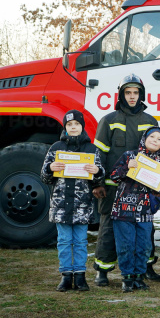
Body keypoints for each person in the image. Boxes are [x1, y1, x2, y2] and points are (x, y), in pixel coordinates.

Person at [92, 74, 160, 286]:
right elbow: (99, 155)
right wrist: (97, 183)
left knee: (145, 229)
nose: (132, 97)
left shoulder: (150, 121)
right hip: (114, 188)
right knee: (109, 229)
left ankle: (146, 267)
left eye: (136, 92)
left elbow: (156, 156)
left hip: (143, 189)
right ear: (121, 95)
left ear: (141, 94)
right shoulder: (109, 120)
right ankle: (102, 270)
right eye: (128, 93)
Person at [41, 110, 104, 292]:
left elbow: (99, 179)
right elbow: (45, 177)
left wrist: (97, 171)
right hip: (61, 206)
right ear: (65, 127)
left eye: (76, 124)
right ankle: (66, 276)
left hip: (82, 206)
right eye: (69, 125)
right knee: (64, 241)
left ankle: (81, 276)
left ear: (82, 126)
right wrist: (50, 168)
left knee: (80, 241)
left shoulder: (91, 150)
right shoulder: (56, 148)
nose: (73, 127)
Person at [108, 127, 160, 292]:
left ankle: (139, 277)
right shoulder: (130, 156)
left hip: (145, 213)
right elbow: (113, 176)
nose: (155, 140)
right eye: (152, 136)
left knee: (144, 246)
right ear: (144, 138)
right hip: (123, 210)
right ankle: (127, 278)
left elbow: (159, 192)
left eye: (159, 139)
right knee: (126, 245)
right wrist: (127, 168)